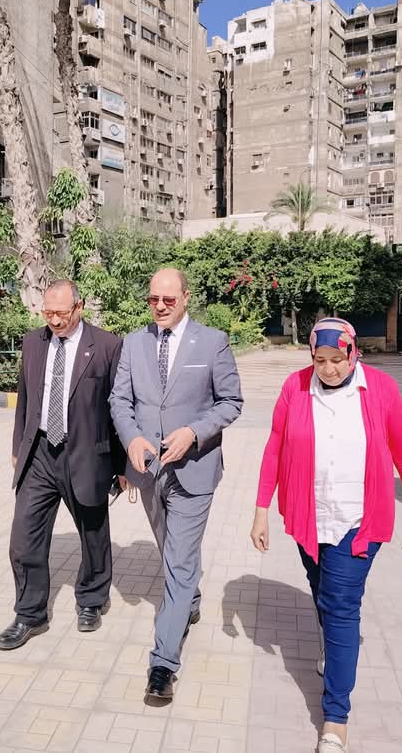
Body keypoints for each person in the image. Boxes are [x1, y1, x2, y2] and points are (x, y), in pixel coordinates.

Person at [251, 318, 402, 753]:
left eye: (337, 359)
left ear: (354, 353)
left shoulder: (382, 390)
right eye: (320, 360)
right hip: (308, 516)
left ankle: (335, 717)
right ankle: (332, 646)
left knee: (342, 606)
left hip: (358, 520)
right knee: (321, 590)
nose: (328, 369)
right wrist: (261, 510)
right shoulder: (295, 387)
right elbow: (275, 446)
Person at [109, 267, 243, 701]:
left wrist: (194, 432)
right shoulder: (134, 343)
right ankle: (190, 599)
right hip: (150, 471)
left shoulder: (213, 342)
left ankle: (163, 663)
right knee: (172, 552)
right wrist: (132, 438)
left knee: (179, 562)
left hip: (195, 469)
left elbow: (231, 402)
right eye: (153, 299)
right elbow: (119, 400)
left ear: (186, 297)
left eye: (168, 299)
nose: (160, 306)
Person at [0, 280, 125, 650]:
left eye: (61, 313)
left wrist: (122, 466)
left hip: (85, 453)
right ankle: (29, 613)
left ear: (78, 307)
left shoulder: (107, 345)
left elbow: (118, 408)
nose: (53, 320)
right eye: (47, 313)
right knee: (24, 538)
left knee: (93, 533)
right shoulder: (33, 343)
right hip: (39, 453)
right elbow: (25, 397)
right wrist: (18, 445)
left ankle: (92, 599)